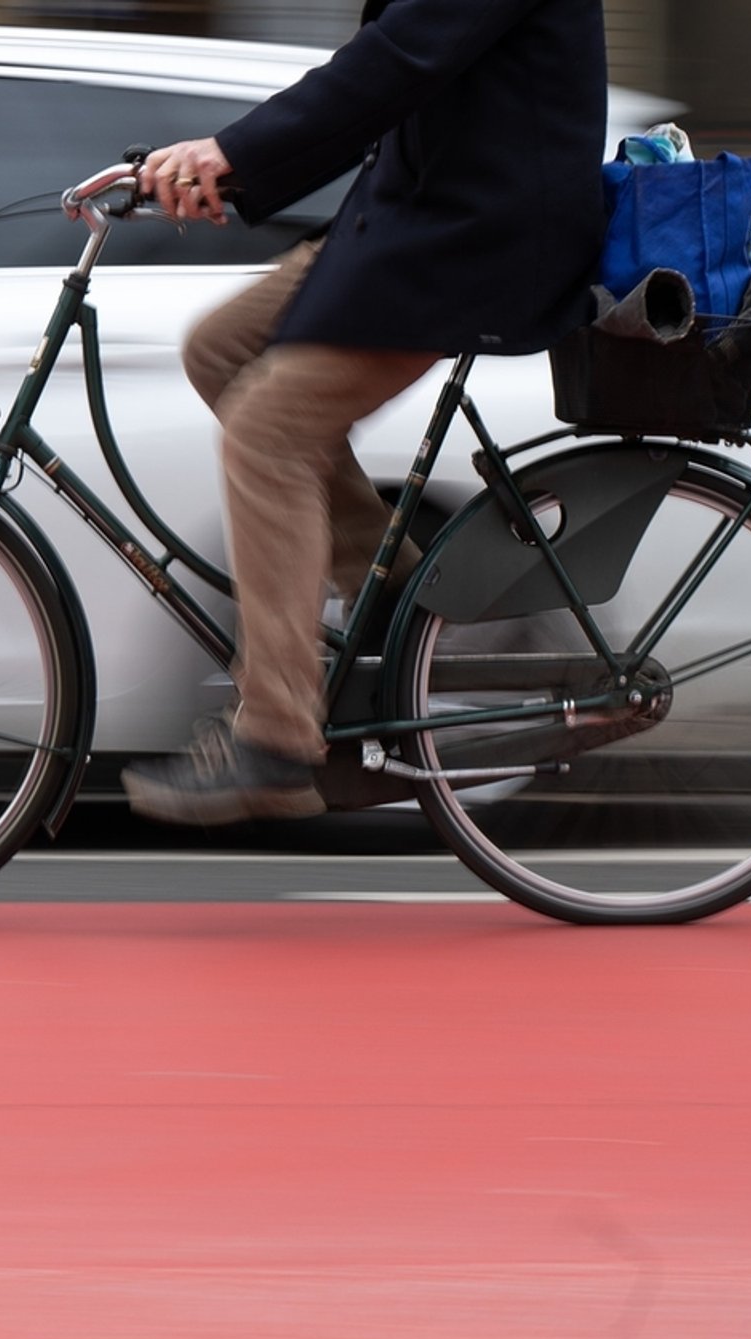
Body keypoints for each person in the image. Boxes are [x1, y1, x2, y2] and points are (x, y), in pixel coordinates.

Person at [118, 0, 609, 827]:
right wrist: (228, 171)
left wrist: (232, 150)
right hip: (411, 217)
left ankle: (275, 739)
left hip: (476, 239)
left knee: (267, 431)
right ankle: (394, 591)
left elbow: (397, 60)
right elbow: (385, 82)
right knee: (219, 350)